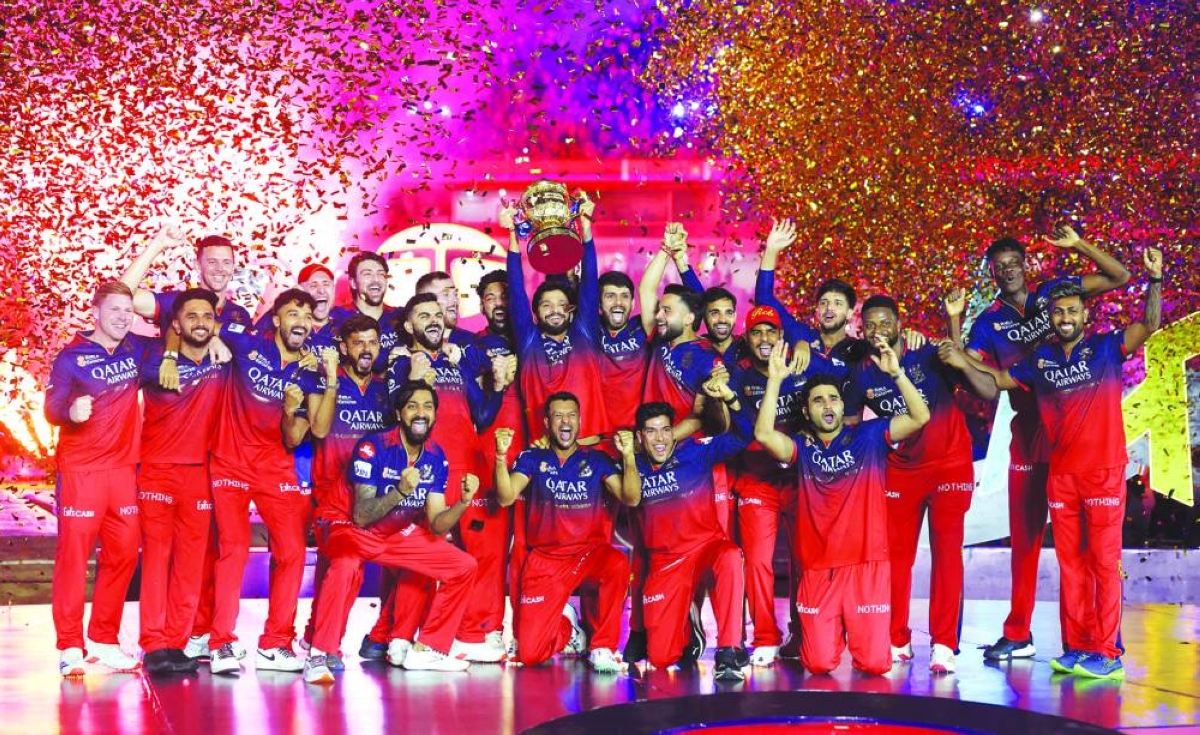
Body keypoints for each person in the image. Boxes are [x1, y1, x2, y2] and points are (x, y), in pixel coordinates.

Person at [949, 246, 1162, 680]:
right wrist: (954, 341)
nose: (1064, 317)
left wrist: (1152, 279)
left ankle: (1108, 649)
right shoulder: (1034, 358)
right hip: (1056, 468)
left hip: (1100, 471)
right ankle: (1076, 645)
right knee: (1070, 564)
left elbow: (1142, 314)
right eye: (1059, 312)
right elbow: (994, 384)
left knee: (1102, 562)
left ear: (1084, 314)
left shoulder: (1103, 345)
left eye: (1072, 311)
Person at [754, 337, 930, 676]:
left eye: (833, 398)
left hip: (867, 565)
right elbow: (763, 435)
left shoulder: (869, 435)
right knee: (818, 664)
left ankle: (862, 634)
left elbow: (919, 417)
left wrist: (897, 374)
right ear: (807, 411)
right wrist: (775, 380)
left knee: (876, 665)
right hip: (819, 570)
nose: (827, 405)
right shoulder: (801, 448)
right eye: (818, 400)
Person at [843, 295, 992, 674]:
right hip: (901, 469)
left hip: (948, 465)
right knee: (896, 557)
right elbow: (848, 426)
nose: (879, 331)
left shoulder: (922, 350)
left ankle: (944, 643)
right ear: (862, 329)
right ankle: (897, 638)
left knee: (946, 553)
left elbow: (967, 373)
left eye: (885, 323)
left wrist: (952, 322)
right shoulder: (860, 372)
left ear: (898, 323)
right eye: (871, 325)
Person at [305, 381, 479, 680]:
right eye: (412, 406)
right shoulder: (373, 446)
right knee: (346, 565)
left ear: (436, 414)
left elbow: (437, 524)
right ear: (400, 413)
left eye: (427, 406)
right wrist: (400, 490)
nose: (420, 413)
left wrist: (463, 503)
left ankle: (427, 650)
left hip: (394, 532)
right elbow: (361, 515)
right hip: (347, 525)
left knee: (463, 566)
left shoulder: (436, 456)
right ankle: (319, 655)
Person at [389, 293, 507, 662]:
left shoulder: (457, 363)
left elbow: (482, 416)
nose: (434, 320)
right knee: (426, 557)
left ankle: (469, 634)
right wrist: (409, 377)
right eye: (424, 315)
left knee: (481, 553)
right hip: (427, 469)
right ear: (409, 326)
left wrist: (499, 386)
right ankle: (402, 637)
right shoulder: (401, 362)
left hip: (468, 468)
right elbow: (388, 412)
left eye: (438, 314)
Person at [206, 288, 318, 674]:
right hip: (230, 464)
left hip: (276, 467)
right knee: (234, 548)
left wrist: (291, 411)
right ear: (276, 320)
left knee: (292, 552)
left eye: (306, 316)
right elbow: (193, 325)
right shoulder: (246, 342)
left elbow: (294, 438)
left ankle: (275, 643)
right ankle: (220, 642)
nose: (300, 322)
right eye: (292, 314)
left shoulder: (312, 371)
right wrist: (215, 338)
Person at [45, 281, 152, 676]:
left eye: (129, 310)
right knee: (73, 559)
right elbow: (51, 409)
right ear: (96, 312)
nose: (123, 316)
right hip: (81, 472)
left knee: (124, 554)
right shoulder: (71, 358)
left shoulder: (136, 348)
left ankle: (104, 640)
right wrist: (70, 411)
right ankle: (70, 645)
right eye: (115, 310)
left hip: (123, 471)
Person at [493, 393, 641, 671]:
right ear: (547, 422)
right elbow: (505, 497)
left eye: (571, 415)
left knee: (617, 563)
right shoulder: (532, 458)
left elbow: (631, 498)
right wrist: (500, 458)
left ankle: (603, 647)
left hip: (589, 555)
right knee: (531, 654)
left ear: (580, 420)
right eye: (558, 415)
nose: (566, 421)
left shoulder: (597, 460)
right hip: (546, 561)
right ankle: (569, 628)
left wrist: (629, 457)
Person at [727, 305, 837, 666]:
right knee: (758, 562)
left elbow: (841, 389)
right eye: (756, 333)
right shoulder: (737, 377)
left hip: (802, 481)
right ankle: (765, 636)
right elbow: (746, 431)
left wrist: (805, 340)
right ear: (747, 338)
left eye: (770, 332)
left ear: (781, 337)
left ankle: (803, 632)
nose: (764, 339)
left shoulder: (804, 366)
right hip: (757, 481)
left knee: (808, 559)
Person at [288, 315, 393, 671]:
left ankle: (317, 635)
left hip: (369, 496)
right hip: (329, 494)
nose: (366, 349)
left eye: (372, 342)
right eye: (358, 342)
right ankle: (324, 644)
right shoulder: (321, 381)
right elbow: (306, 433)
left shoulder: (386, 389)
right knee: (345, 566)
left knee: (341, 567)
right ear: (343, 347)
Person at [137, 289, 230, 675]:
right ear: (175, 324)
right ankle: (154, 644)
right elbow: (123, 301)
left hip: (200, 475)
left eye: (207, 317)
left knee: (191, 565)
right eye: (190, 316)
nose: (200, 323)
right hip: (156, 470)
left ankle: (177, 643)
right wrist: (170, 352)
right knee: (158, 560)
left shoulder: (224, 359)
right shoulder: (151, 357)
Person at [631, 399, 751, 681]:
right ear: (639, 437)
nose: (660, 438)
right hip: (666, 562)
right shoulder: (631, 464)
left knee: (731, 555)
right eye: (650, 431)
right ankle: (688, 621)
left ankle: (728, 650)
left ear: (674, 431)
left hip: (707, 547)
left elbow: (745, 435)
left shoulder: (696, 452)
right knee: (661, 659)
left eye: (665, 430)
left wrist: (733, 400)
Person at [500, 203, 610, 440]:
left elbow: (590, 280)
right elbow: (517, 290)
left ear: (571, 310)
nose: (555, 311)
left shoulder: (584, 334)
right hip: (544, 455)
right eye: (546, 306)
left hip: (591, 448)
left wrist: (586, 226)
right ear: (536, 314)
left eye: (562, 305)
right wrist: (512, 234)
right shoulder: (529, 341)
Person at [120, 227, 253, 336]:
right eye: (212, 262)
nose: (219, 268)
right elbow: (120, 296)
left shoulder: (240, 315)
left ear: (233, 268)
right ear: (197, 265)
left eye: (226, 262)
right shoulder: (174, 302)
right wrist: (158, 244)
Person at [328, 251, 401, 370]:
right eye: (367, 274)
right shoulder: (336, 317)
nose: (376, 279)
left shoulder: (401, 316)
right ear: (353, 283)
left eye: (381, 274)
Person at [256, 262, 338, 350]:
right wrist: (286, 301)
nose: (321, 290)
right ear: (301, 291)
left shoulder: (343, 320)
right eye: (313, 285)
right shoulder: (286, 326)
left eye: (326, 284)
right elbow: (255, 340)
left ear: (333, 289)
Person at [415, 270, 478, 348]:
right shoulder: (406, 343)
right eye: (446, 294)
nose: (455, 300)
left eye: (455, 294)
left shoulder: (473, 342)